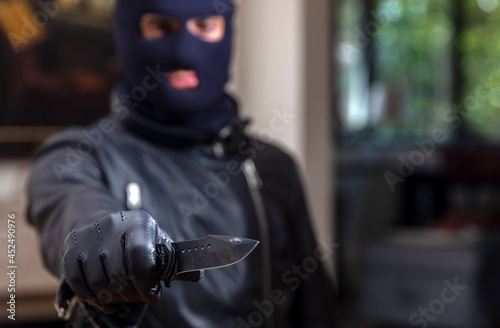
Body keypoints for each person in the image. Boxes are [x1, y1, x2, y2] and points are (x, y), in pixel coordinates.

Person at [27, 0, 338, 327]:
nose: (185, 52)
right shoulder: (77, 156)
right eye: (161, 28)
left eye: (205, 27)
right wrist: (102, 242)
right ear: (127, 34)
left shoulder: (272, 166)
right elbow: (73, 211)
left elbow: (315, 306)